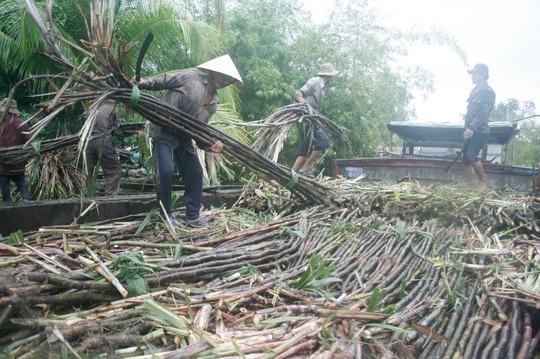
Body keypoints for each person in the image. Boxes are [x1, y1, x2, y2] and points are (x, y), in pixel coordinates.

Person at [134, 55, 243, 228]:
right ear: (213, 73)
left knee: (195, 173)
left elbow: (199, 132)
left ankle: (192, 215)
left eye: (228, 79)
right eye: (223, 76)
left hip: (184, 136)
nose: (225, 81)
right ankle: (166, 214)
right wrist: (142, 82)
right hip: (163, 128)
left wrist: (210, 145)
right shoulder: (189, 77)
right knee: (166, 171)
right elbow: (162, 82)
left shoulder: (214, 103)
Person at [292, 63, 340, 176]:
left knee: (305, 149)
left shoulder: (324, 86)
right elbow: (298, 93)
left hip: (311, 118)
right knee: (323, 142)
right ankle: (305, 169)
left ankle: (291, 174)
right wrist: (303, 103)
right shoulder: (314, 82)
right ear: (328, 75)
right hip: (306, 118)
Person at [462, 63, 496, 188]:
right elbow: (472, 112)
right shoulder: (474, 91)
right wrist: (467, 127)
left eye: (474, 73)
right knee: (467, 158)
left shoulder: (488, 92)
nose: (472, 76)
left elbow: (483, 113)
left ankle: (480, 182)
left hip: (479, 131)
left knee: (468, 158)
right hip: (469, 130)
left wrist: (472, 128)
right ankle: (473, 186)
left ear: (482, 74)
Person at [85, 99, 122, 196]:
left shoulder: (93, 107)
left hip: (87, 143)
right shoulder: (113, 107)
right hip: (103, 142)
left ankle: (85, 193)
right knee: (113, 170)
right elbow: (117, 128)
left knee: (87, 171)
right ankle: (110, 195)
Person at [0, 98, 32, 202]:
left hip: (3, 164)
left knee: (5, 193)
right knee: (22, 186)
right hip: (18, 163)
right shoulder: (23, 124)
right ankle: (27, 203)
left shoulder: (1, 125)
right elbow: (29, 143)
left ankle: (9, 211)